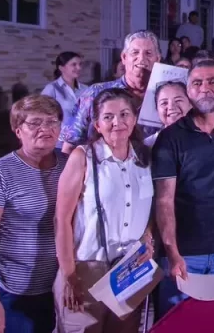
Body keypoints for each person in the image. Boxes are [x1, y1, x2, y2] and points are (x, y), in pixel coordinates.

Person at [152, 59, 214, 317]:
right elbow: (164, 201)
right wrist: (172, 252)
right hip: (185, 256)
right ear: (188, 90)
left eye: (212, 81)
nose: (204, 88)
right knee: (180, 324)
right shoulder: (170, 137)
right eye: (197, 83)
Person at [53, 90, 154, 333]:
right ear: (97, 124)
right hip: (88, 266)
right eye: (108, 117)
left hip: (130, 267)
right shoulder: (83, 157)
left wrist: (148, 238)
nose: (117, 123)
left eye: (124, 114)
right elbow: (62, 219)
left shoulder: (145, 157)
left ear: (134, 119)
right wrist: (69, 274)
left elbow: (147, 207)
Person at [0, 95, 68, 333]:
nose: (45, 128)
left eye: (51, 121)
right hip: (18, 289)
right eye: (35, 123)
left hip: (65, 285)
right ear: (18, 130)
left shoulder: (70, 164)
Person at [61, 31, 161, 153]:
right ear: (124, 57)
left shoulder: (164, 99)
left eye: (148, 53)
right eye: (135, 52)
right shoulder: (95, 93)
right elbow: (69, 145)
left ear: (158, 59)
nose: (141, 58)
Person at [42, 52, 84, 124]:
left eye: (80, 64)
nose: (79, 68)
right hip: (61, 133)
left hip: (84, 134)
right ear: (61, 68)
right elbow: (42, 113)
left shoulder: (85, 89)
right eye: (74, 65)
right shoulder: (52, 89)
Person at [147, 80, 191, 147]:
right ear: (157, 109)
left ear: (191, 104)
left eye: (178, 100)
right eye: (164, 103)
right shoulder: (147, 145)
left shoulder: (206, 141)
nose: (171, 107)